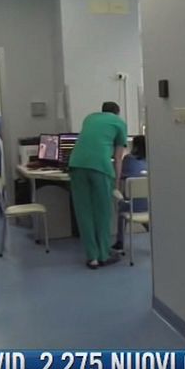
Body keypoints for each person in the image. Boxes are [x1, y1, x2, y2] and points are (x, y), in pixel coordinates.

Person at [68, 101, 128, 269]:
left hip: (76, 164)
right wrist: (116, 184)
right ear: (117, 113)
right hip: (100, 167)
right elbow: (118, 158)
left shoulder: (89, 118)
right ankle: (103, 255)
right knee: (103, 212)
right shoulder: (119, 123)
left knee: (84, 213)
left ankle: (92, 258)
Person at [112, 135, 149, 251]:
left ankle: (120, 242)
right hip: (149, 206)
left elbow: (120, 175)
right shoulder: (151, 161)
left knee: (122, 209)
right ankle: (153, 233)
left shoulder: (128, 159)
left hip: (132, 207)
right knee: (142, 206)